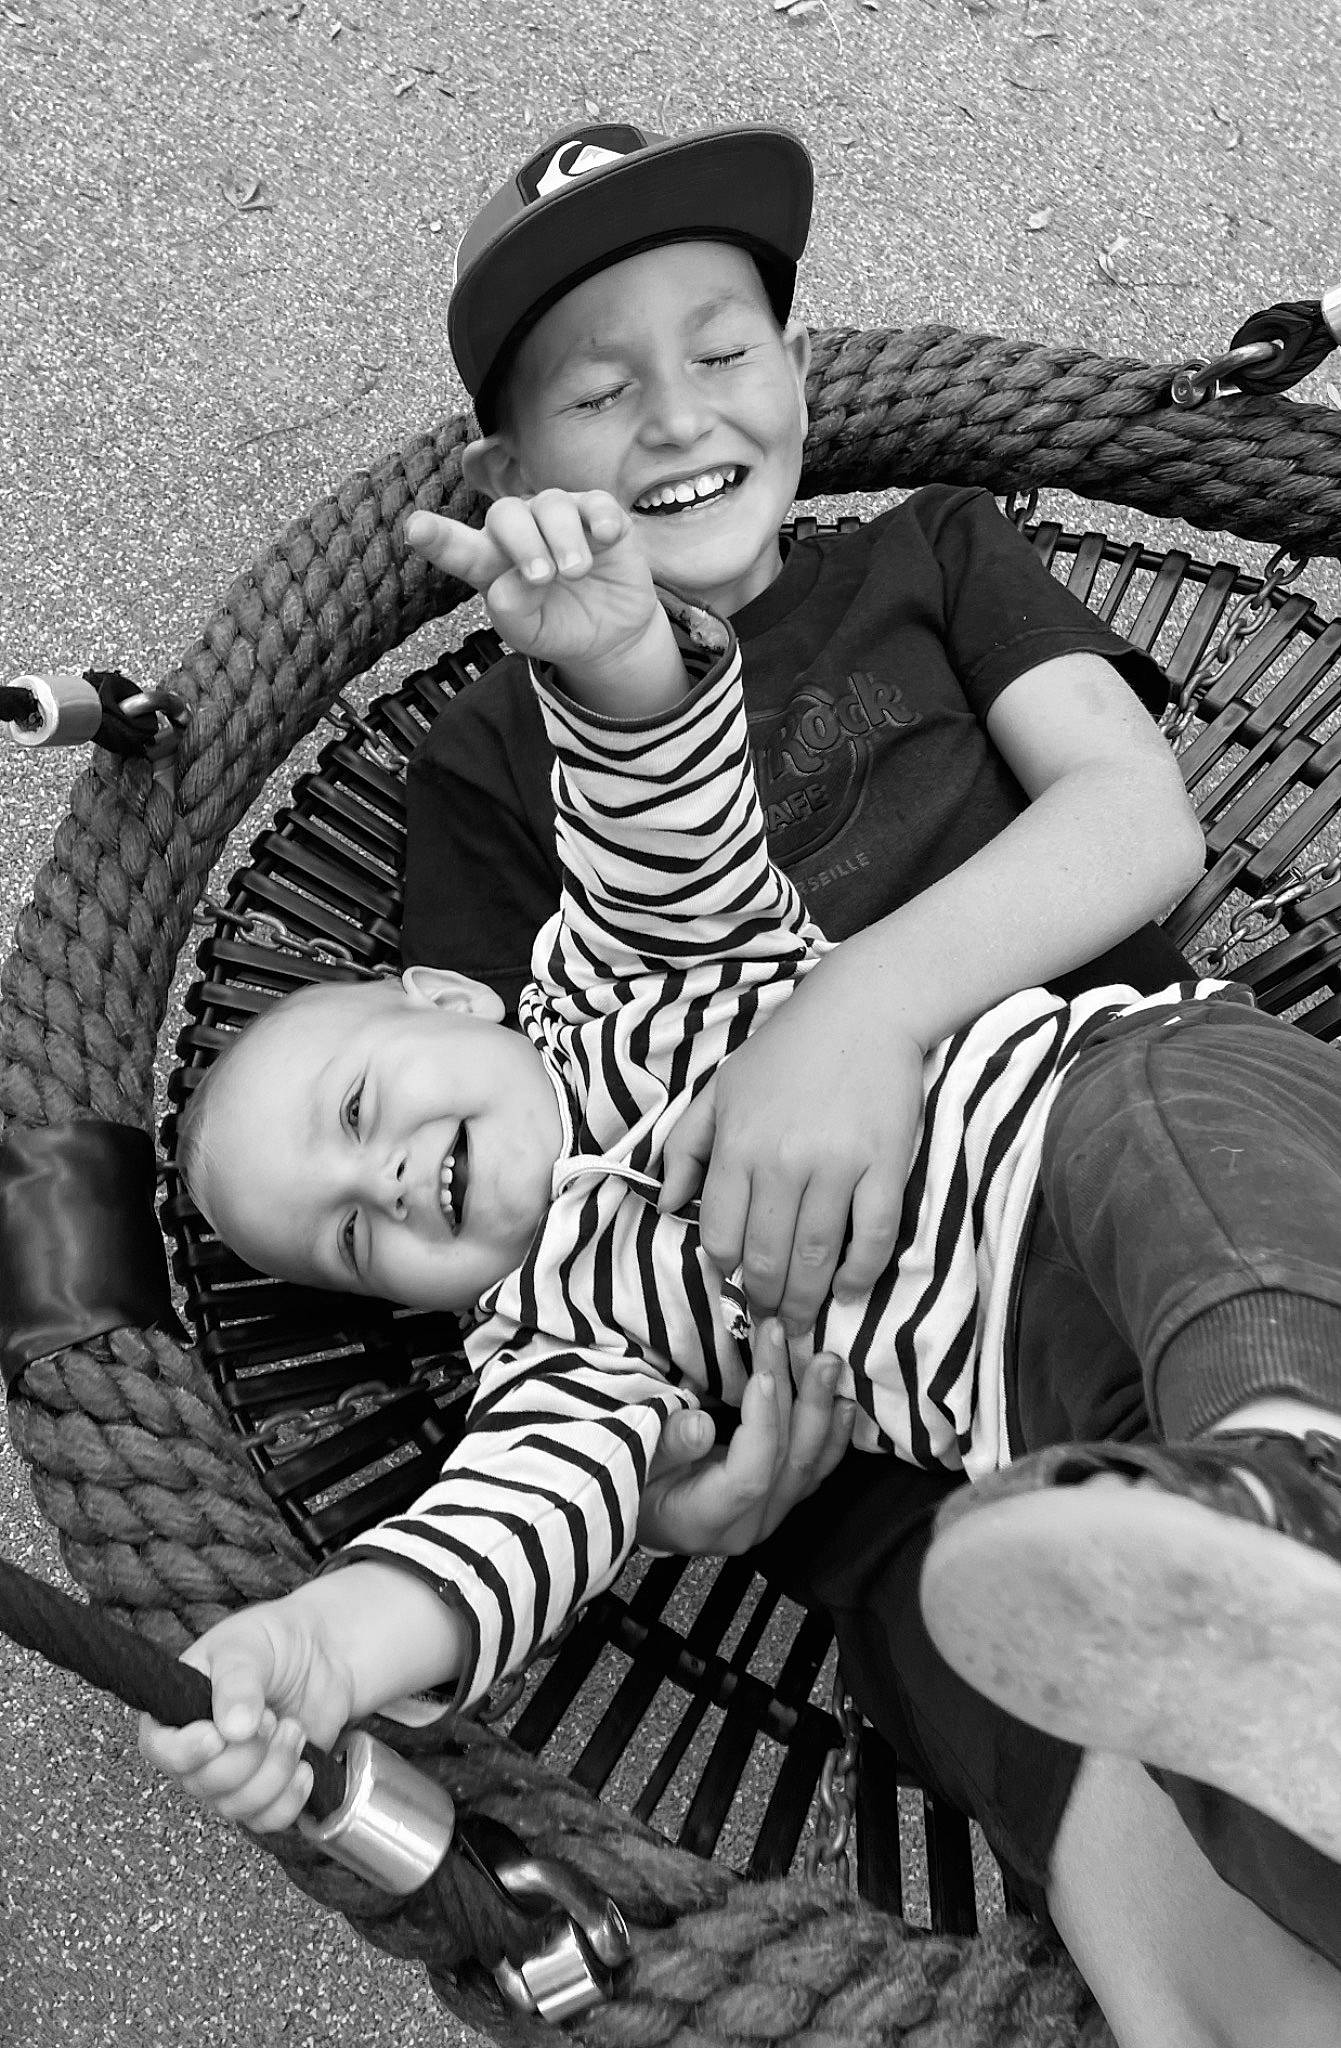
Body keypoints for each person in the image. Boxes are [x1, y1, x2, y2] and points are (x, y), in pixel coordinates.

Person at [142, 122, 1341, 2046]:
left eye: (716, 351)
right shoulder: (554, 1291)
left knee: (1178, 1149)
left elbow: (738, 851)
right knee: (1031, 1659)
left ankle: (1292, 1487)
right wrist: (321, 1643)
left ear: (791, 367)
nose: (673, 415)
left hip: (1093, 1104)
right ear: (506, 475)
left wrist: (816, 971)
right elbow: (497, 1526)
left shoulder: (925, 562)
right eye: (592, 395)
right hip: (936, 1427)